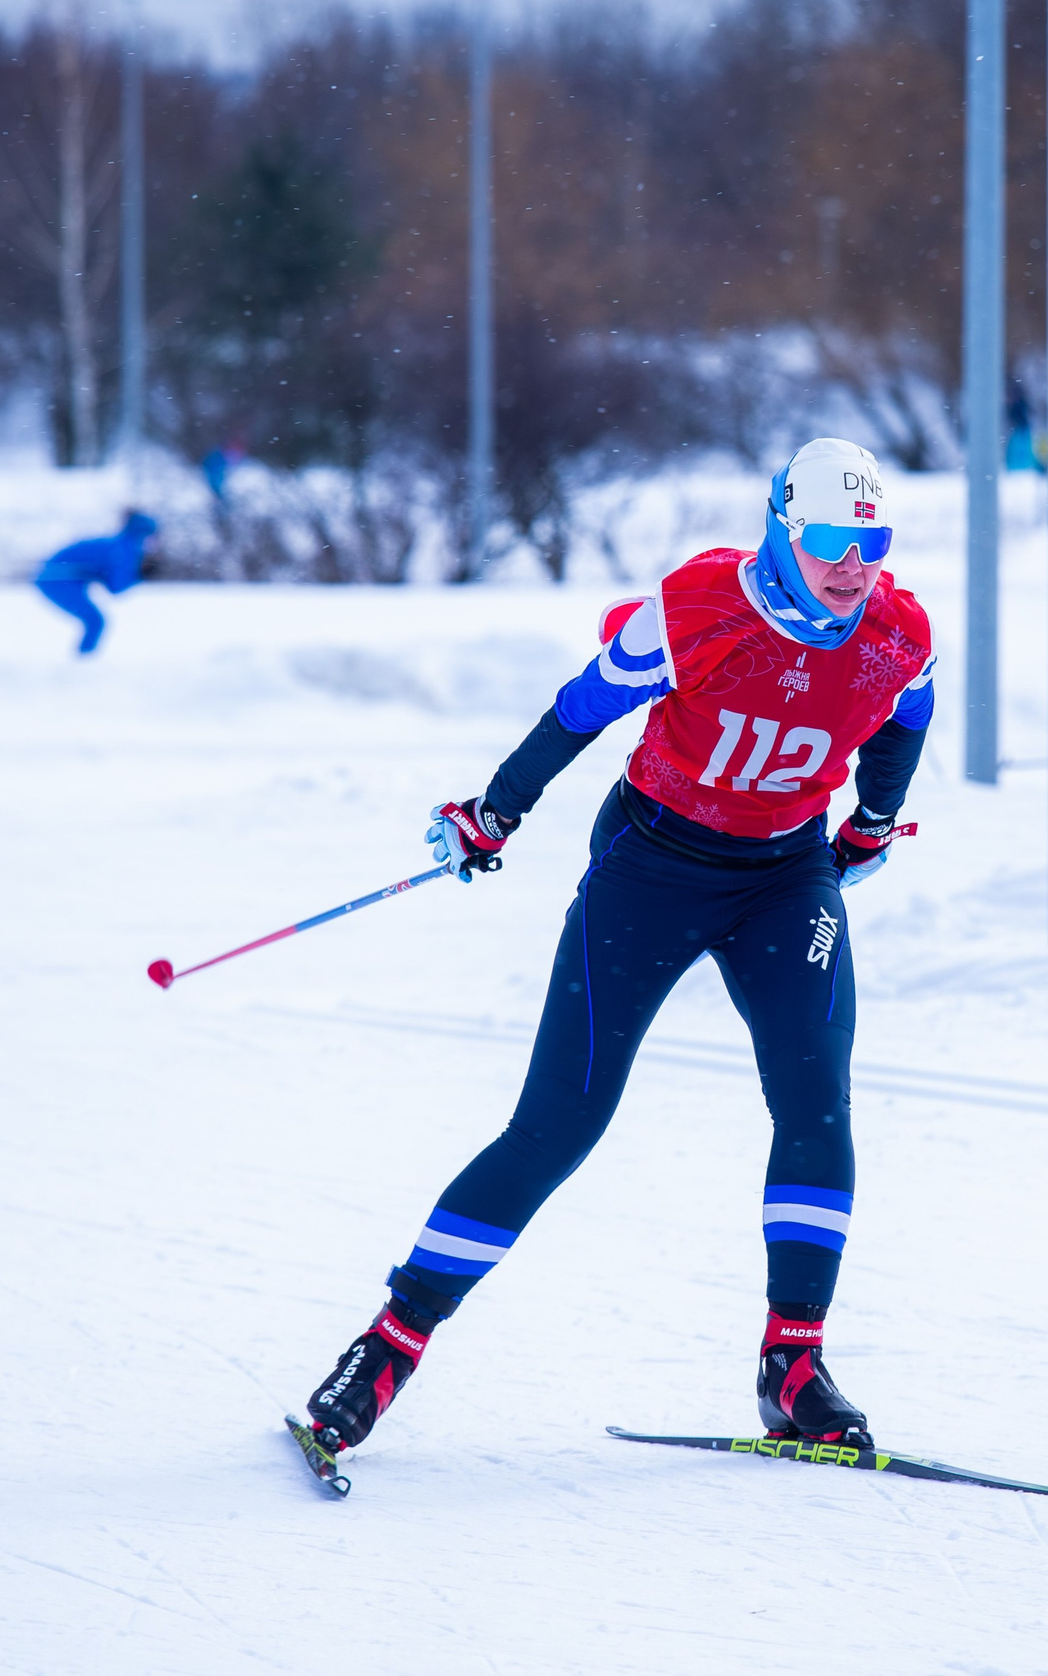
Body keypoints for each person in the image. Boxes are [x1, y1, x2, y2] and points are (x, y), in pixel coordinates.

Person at [301, 437, 935, 1461]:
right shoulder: (700, 610)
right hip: (653, 868)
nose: (852, 564)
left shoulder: (894, 633)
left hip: (787, 878)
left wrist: (872, 821)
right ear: (783, 532)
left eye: (871, 541)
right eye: (828, 541)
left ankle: (795, 1367)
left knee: (816, 1100)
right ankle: (389, 1345)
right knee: (560, 1124)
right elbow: (577, 712)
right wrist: (494, 811)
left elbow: (909, 711)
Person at [33, 510, 158, 655]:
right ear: (145, 534)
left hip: (58, 578)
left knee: (95, 621)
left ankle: (84, 658)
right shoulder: (125, 550)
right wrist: (140, 574)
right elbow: (116, 588)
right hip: (57, 580)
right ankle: (84, 662)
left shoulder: (118, 544)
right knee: (95, 621)